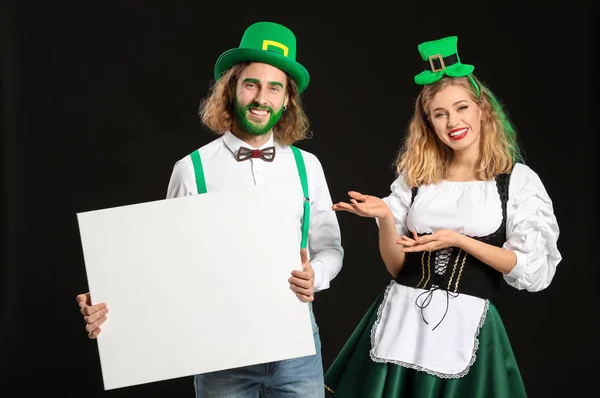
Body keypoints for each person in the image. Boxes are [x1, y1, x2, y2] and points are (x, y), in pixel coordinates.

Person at [76, 21, 344, 397]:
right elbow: (162, 263)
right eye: (251, 84)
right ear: (231, 89)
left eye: (274, 88)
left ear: (287, 100)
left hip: (297, 351)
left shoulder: (307, 167)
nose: (261, 98)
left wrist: (314, 275)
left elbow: (331, 249)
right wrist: (110, 300)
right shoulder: (192, 170)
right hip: (221, 356)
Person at [323, 36, 561, 397]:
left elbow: (530, 269)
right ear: (429, 123)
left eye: (462, 107)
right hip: (401, 319)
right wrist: (386, 218)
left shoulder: (516, 181)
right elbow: (396, 267)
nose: (453, 122)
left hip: (468, 327)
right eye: (440, 113)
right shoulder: (417, 178)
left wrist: (459, 240)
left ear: (482, 110)